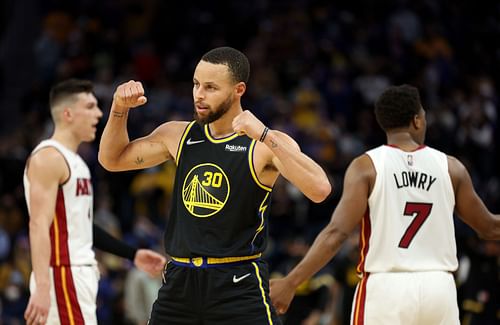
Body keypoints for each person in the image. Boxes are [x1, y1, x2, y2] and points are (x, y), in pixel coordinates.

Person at [98, 46, 332, 324]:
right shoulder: (177, 135)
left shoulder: (263, 144)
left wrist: (265, 135)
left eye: (210, 87)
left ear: (238, 89)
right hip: (179, 281)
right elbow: (111, 160)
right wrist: (119, 109)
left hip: (237, 283)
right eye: (196, 84)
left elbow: (320, 189)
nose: (199, 94)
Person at [269, 84, 500, 324]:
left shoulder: (367, 166)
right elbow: (489, 227)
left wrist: (291, 281)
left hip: (387, 287)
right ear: (417, 121)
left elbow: (336, 233)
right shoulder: (452, 167)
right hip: (439, 287)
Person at [23, 79, 166, 325]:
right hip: (62, 273)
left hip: (77, 275)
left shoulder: (76, 163)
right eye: (90, 107)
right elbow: (38, 224)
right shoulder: (48, 158)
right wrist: (44, 286)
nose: (98, 114)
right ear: (67, 113)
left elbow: (80, 227)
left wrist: (131, 254)